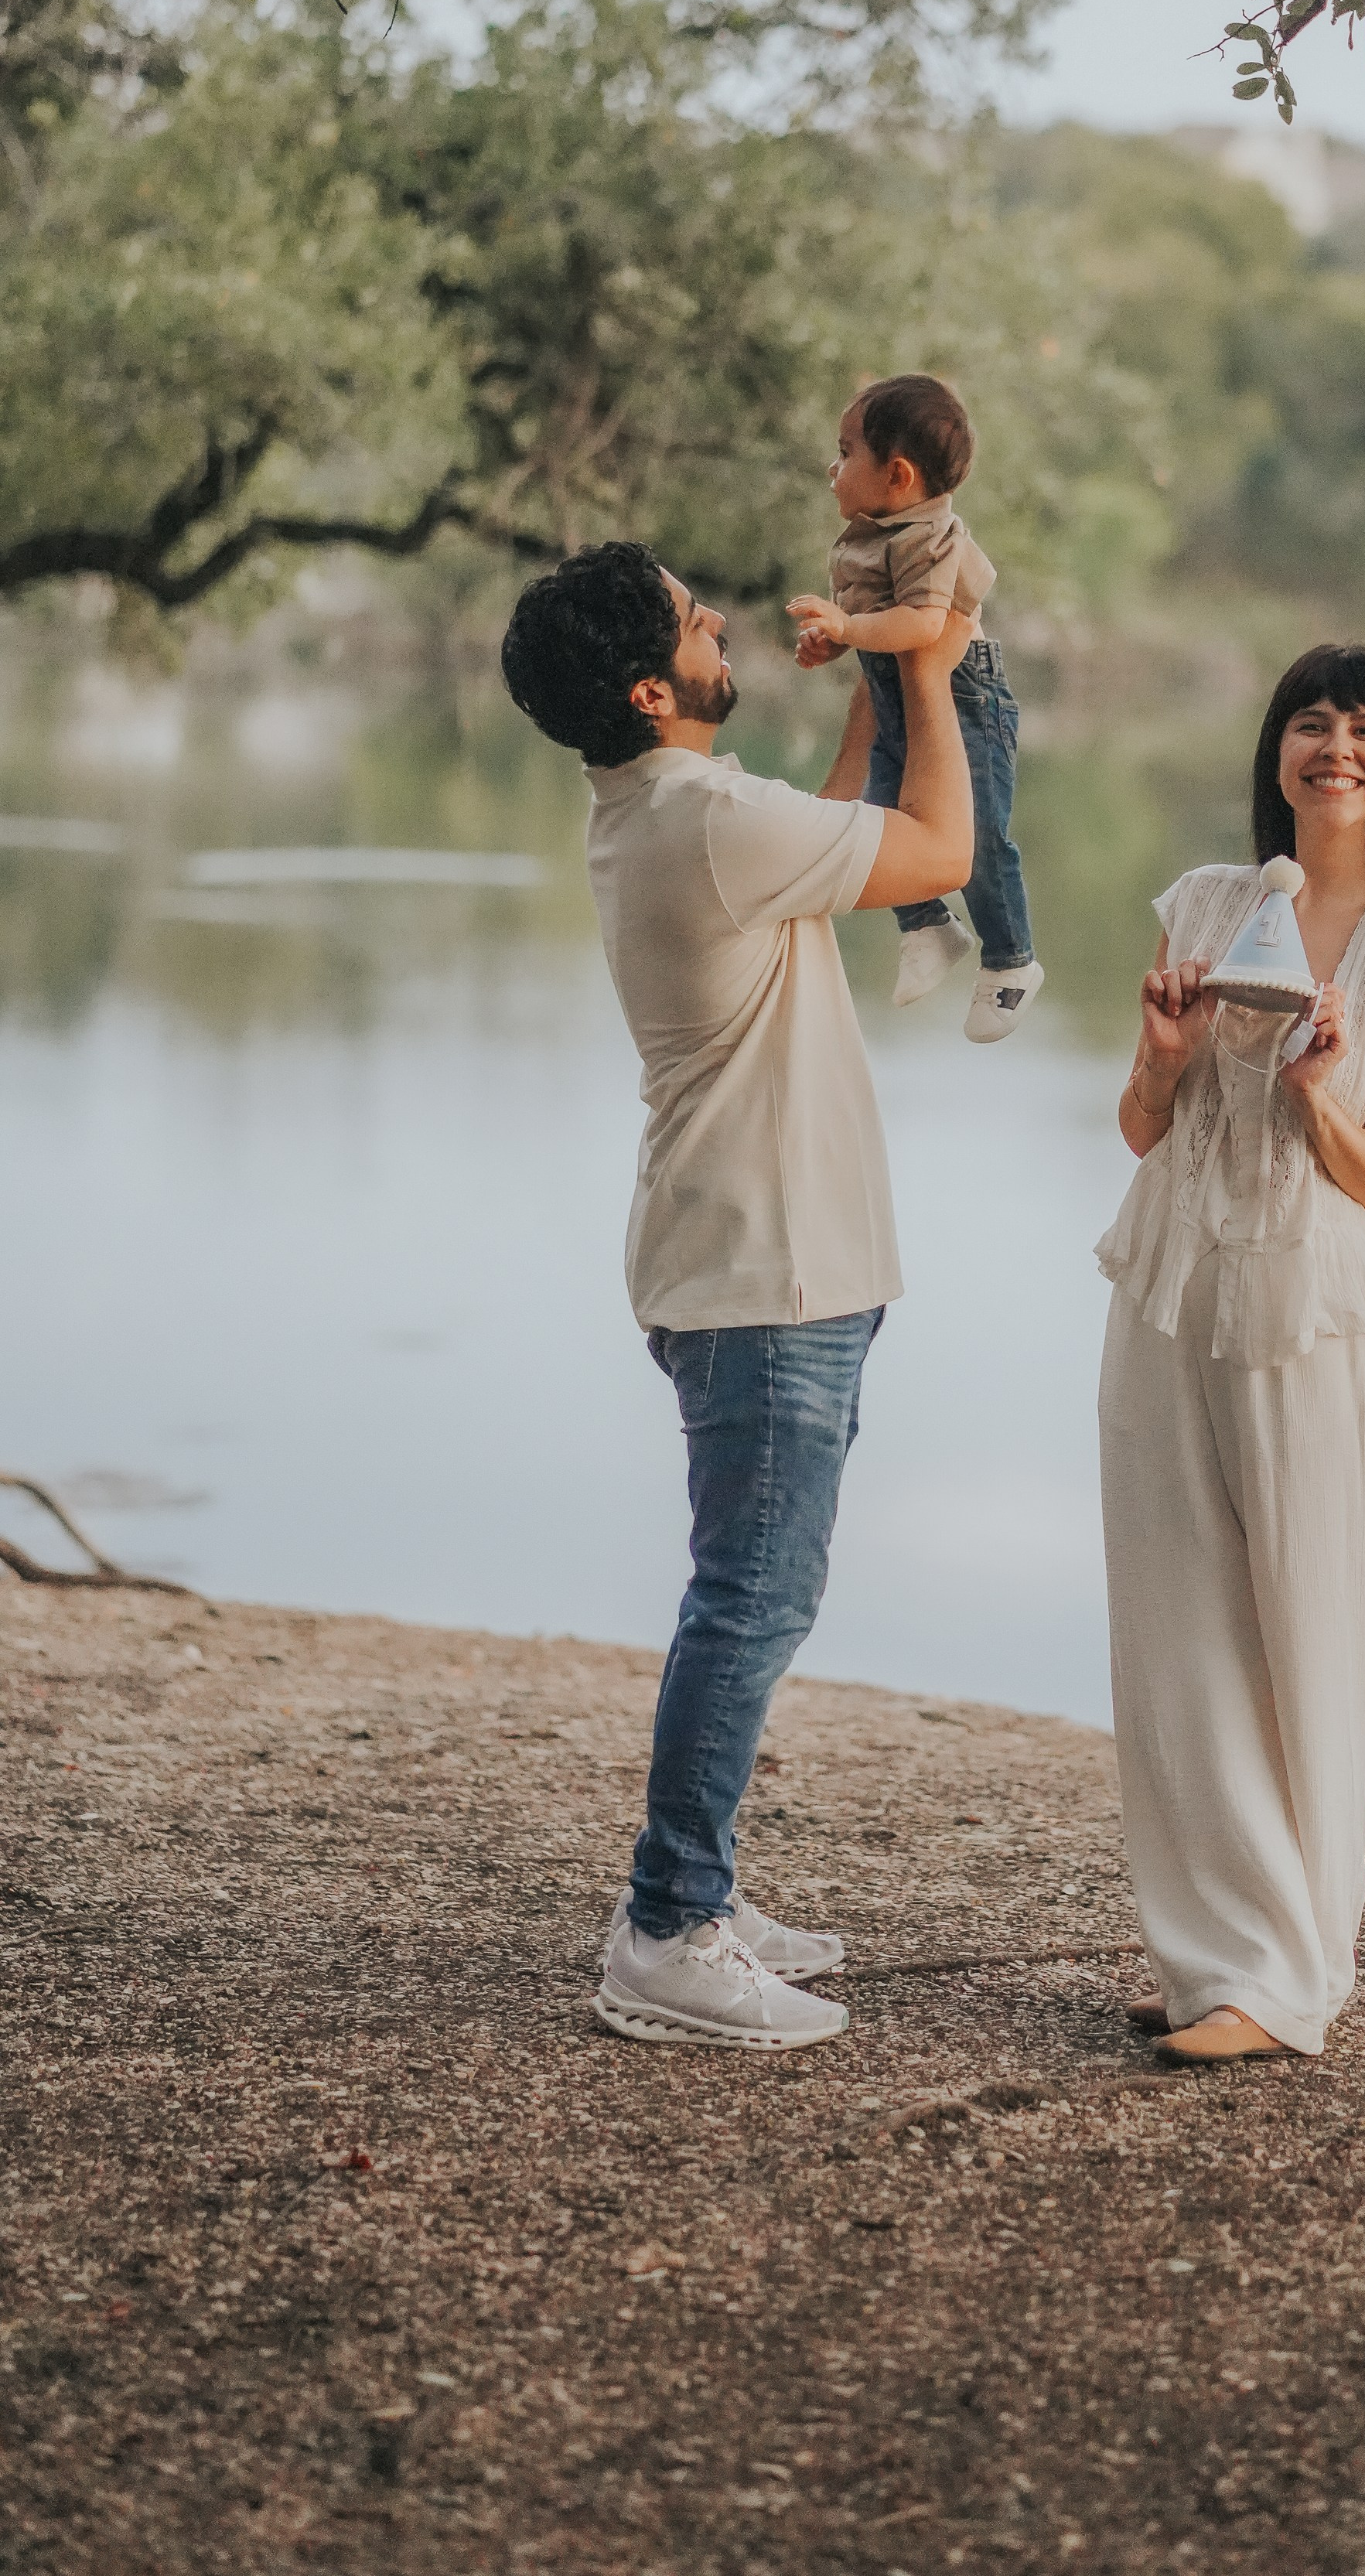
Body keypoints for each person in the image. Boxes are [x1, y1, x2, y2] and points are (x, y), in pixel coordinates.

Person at [500, 540, 976, 2049]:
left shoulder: (674, 811)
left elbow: (832, 835)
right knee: (754, 1595)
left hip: (760, 1255)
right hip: (766, 1268)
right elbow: (936, 849)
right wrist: (929, 672)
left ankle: (694, 1885)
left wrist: (881, 705)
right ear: (657, 687)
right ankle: (667, 1926)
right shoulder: (700, 816)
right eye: (700, 624)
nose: (725, 625)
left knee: (750, 1584)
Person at [1095, 643, 1365, 2064]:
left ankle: (1291, 1974)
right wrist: (1161, 1053)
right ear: (1276, 753)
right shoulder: (1211, 903)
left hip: (1306, 1314)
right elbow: (1142, 1128)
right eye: (1311, 722)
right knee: (1176, 1632)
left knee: (1305, 1627)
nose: (1336, 746)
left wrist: (1323, 1100)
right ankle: (1216, 1960)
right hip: (1167, 1290)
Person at [786, 374, 1043, 1043]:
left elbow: (924, 628)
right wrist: (835, 643)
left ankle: (1010, 960)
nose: (831, 468)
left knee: (979, 834)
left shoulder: (931, 538)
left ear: (897, 475)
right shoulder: (877, 532)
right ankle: (926, 924)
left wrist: (847, 630)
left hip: (962, 696)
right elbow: (880, 625)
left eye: (844, 452)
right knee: (883, 815)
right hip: (896, 691)